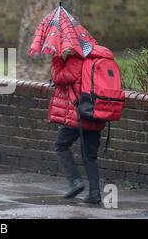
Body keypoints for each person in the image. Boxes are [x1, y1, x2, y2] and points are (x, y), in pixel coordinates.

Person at [48, 50, 106, 204]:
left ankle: (75, 182)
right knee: (90, 156)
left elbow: (59, 78)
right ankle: (95, 194)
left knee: (61, 146)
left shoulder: (76, 61)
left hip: (78, 114)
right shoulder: (97, 60)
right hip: (96, 113)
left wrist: (57, 59)